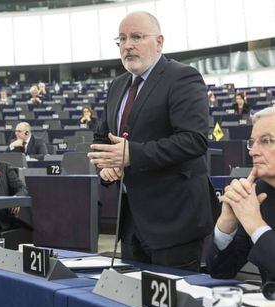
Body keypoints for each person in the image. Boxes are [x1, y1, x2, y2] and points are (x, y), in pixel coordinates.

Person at [87, 11, 213, 271]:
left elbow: (194, 140)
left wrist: (131, 155)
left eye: (136, 37)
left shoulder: (182, 77)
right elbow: (102, 137)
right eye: (121, 39)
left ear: (159, 42)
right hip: (131, 222)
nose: (127, 45)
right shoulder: (117, 85)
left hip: (174, 222)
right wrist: (106, 166)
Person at [206, 107, 275, 283]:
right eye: (252, 142)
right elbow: (221, 272)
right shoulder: (258, 191)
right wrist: (226, 226)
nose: (253, 151)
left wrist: (255, 225)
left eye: (266, 141)